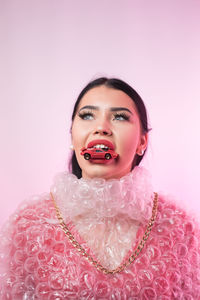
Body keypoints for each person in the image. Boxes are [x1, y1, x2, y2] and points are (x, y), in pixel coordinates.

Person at [0, 77, 199, 299]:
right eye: (87, 115)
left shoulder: (179, 227)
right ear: (72, 136)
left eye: (119, 117)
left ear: (142, 142)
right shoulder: (30, 225)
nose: (101, 128)